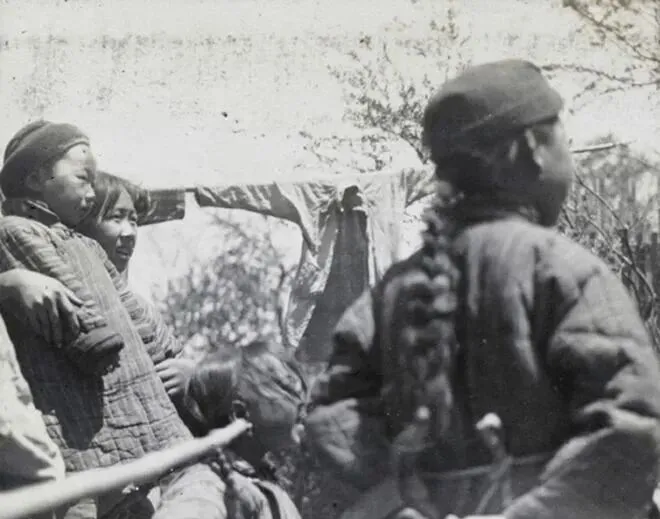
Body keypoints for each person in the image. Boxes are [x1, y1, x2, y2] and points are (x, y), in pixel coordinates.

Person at [303, 59, 660, 519]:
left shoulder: (392, 290)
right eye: (564, 140)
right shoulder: (564, 271)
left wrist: (396, 504)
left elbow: (331, 414)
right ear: (533, 149)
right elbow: (634, 426)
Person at [0, 120, 228, 519]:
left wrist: (164, 350)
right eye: (83, 179)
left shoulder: (84, 245)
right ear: (36, 180)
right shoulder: (15, 233)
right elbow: (81, 319)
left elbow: (131, 310)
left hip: (130, 411)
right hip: (79, 416)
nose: (90, 193)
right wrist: (95, 334)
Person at [77, 171, 194, 401]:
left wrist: (190, 375)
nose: (130, 232)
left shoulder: (140, 307)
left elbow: (174, 358)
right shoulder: (69, 295)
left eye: (133, 221)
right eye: (116, 218)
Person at [181, 340, 307, 519]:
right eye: (285, 386)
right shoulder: (207, 490)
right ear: (240, 414)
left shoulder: (268, 484)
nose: (302, 399)